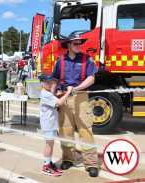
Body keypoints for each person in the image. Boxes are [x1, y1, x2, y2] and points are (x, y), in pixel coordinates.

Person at [51, 33, 99, 177]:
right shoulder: (60, 60)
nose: (79, 46)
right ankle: (68, 159)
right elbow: (55, 79)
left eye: (80, 44)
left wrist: (76, 89)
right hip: (64, 98)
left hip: (81, 97)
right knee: (66, 130)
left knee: (85, 130)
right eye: (76, 44)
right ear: (69, 45)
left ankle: (91, 164)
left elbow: (91, 78)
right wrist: (52, 96)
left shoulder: (87, 59)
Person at [39, 73, 72, 176]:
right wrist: (69, 92)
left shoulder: (48, 93)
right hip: (48, 124)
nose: (49, 84)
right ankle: (46, 167)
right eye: (47, 83)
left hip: (51, 123)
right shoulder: (45, 94)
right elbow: (59, 103)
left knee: (51, 144)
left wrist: (60, 95)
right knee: (49, 145)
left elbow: (56, 99)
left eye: (51, 82)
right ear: (41, 83)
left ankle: (49, 163)